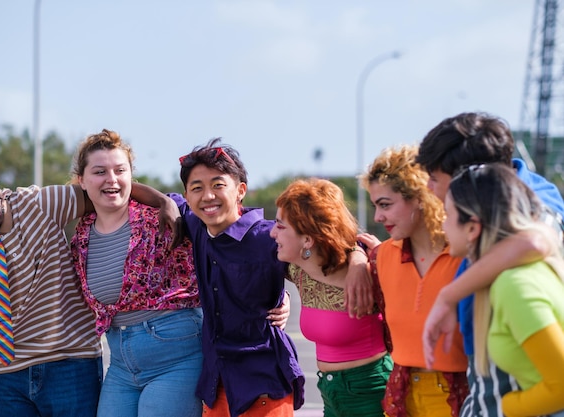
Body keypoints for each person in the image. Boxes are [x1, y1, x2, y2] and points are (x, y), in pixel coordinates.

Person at [0, 144, 178, 417]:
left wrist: (163, 201)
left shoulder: (38, 204)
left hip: (72, 363)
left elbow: (108, 192)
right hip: (10, 374)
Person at [416, 112, 564, 417]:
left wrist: (449, 295)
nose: (429, 187)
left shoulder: (530, 202)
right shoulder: (505, 199)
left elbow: (536, 240)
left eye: (434, 178)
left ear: (471, 179)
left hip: (509, 388)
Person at [165, 138, 305, 417]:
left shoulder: (268, 237)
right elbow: (163, 198)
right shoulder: (196, 225)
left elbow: (321, 253)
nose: (207, 196)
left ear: (240, 190)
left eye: (218, 185)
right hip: (216, 386)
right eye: (197, 188)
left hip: (263, 385)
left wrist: (284, 295)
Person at [69, 129, 204, 417]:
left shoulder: (166, 218)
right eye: (99, 171)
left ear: (132, 175)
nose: (112, 179)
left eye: (120, 170)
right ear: (81, 179)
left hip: (176, 357)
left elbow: (229, 243)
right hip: (121, 364)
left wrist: (278, 296)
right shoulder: (81, 234)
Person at [442, 163, 564, 417]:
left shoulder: (514, 285)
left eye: (447, 215)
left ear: (473, 228)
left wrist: (509, 407)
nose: (442, 226)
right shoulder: (519, 275)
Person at [358, 145, 468, 417]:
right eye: (375, 206)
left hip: (462, 399)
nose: (377, 217)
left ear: (420, 197)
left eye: (385, 204)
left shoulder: (467, 253)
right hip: (401, 399)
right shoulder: (380, 258)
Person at [270, 177, 392, 417]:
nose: (272, 233)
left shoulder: (367, 271)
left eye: (280, 226)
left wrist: (361, 257)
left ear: (307, 239)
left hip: (371, 394)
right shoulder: (297, 269)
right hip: (329, 393)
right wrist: (281, 296)